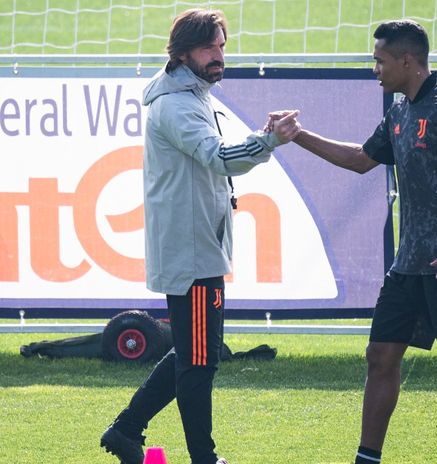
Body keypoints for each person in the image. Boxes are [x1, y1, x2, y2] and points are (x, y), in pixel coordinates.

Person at [272, 19, 437, 464]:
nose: (374, 69)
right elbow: (361, 159)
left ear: (407, 60)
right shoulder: (399, 111)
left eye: (379, 60)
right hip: (407, 265)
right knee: (379, 355)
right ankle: (367, 458)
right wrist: (297, 135)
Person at [99, 9, 300, 464]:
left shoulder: (190, 95)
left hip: (197, 248)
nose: (219, 55)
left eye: (222, 46)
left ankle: (126, 430)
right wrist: (269, 140)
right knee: (200, 360)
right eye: (210, 47)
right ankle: (202, 457)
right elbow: (219, 158)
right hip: (191, 254)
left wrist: (264, 137)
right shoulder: (176, 104)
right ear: (183, 52)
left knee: (195, 352)